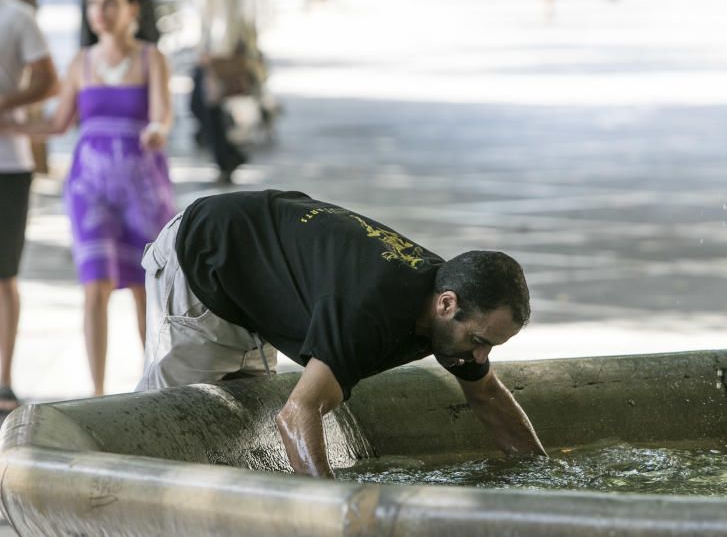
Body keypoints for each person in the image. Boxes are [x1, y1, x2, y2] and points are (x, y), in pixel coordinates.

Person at [136, 189, 547, 478]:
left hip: (257, 260)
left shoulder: (446, 299)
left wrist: (542, 476)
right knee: (168, 435)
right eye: (480, 342)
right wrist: (335, 516)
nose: (480, 357)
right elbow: (297, 416)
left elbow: (488, 395)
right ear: (447, 304)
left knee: (239, 429)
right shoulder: (368, 314)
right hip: (204, 255)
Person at [5, 0, 176, 396]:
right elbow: (59, 123)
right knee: (94, 283)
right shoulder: (81, 63)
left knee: (143, 285)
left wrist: (156, 131)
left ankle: (150, 385)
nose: (99, 12)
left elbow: (163, 116)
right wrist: (10, 122)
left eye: (109, 2)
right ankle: (97, 393)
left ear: (131, 9)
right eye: (93, 4)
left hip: (142, 187)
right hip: (90, 189)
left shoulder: (150, 58)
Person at [0, 0, 58, 412]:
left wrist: (4, 105)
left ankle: (3, 382)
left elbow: (48, 79)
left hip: (7, 164)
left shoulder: (16, 16)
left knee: (4, 274)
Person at [187, 0, 247, 184]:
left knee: (208, 108)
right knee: (201, 107)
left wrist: (217, 50)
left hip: (213, 55)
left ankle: (226, 159)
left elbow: (224, 15)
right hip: (205, 53)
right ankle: (229, 155)